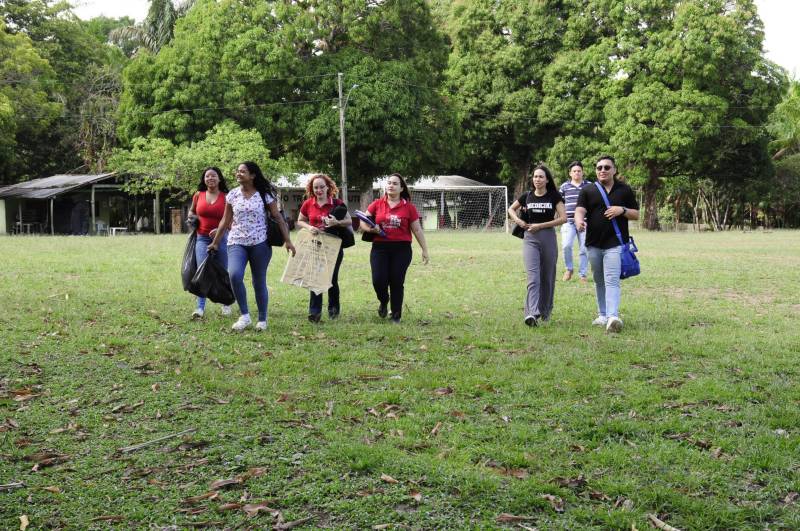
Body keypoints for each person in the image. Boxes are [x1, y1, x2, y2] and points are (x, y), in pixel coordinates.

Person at [209, 162, 296, 331]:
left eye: (243, 171)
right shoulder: (232, 195)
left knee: (258, 281)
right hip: (237, 242)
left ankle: (262, 319)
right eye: (238, 171)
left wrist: (288, 241)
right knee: (234, 275)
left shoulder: (264, 195)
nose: (238, 174)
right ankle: (245, 316)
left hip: (260, 243)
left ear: (253, 175)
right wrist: (216, 242)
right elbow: (225, 220)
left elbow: (278, 218)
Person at [574, 155, 639, 333]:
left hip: (615, 244)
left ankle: (612, 316)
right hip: (593, 243)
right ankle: (602, 314)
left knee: (611, 279)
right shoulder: (588, 190)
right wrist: (579, 221)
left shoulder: (624, 190)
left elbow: (636, 214)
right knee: (599, 279)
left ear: (614, 170)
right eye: (599, 167)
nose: (602, 170)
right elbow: (579, 210)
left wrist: (622, 210)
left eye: (606, 167)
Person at [360, 173, 429, 324]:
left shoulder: (409, 207)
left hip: (402, 249)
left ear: (401, 188)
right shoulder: (377, 204)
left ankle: (396, 315)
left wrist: (425, 250)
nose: (391, 185)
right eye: (389, 183)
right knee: (378, 280)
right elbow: (362, 223)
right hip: (380, 248)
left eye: (395, 183)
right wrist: (371, 230)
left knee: (397, 281)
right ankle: (384, 301)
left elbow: (417, 230)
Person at [507, 164, 567, 326]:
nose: (537, 179)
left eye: (541, 177)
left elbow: (563, 218)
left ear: (547, 180)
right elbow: (511, 209)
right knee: (533, 277)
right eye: (535, 176)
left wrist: (541, 226)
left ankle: (545, 310)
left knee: (547, 276)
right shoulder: (527, 195)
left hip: (548, 236)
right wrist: (518, 220)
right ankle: (531, 313)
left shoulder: (554, 196)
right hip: (530, 239)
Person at [296, 173, 351, 323]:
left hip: (333, 245)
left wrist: (336, 223)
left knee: (331, 278)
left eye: (321, 187)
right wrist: (309, 227)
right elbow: (300, 221)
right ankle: (314, 312)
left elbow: (349, 221)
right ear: (312, 189)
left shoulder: (337, 203)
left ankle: (333, 309)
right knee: (315, 277)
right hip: (315, 244)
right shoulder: (308, 203)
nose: (319, 190)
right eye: (316, 187)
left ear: (328, 187)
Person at [188, 166, 231, 319]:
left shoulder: (227, 197)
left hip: (222, 238)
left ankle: (226, 304)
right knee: (203, 271)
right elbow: (192, 211)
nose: (210, 178)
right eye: (207, 176)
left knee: (223, 271)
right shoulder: (198, 195)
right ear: (204, 180)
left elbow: (231, 218)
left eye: (213, 176)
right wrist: (192, 219)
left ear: (219, 178)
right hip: (202, 238)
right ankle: (200, 308)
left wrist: (221, 230)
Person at [559, 161, 590, 282]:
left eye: (579, 171)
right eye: (574, 171)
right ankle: (569, 269)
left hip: (585, 222)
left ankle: (583, 274)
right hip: (569, 222)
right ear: (570, 173)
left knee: (584, 248)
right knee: (566, 245)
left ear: (582, 172)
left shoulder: (589, 186)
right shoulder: (564, 187)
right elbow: (559, 204)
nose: (577, 173)